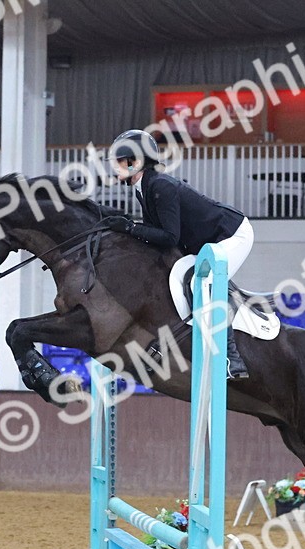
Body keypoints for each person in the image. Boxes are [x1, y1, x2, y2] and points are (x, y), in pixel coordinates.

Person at [103, 129, 253, 380]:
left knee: (203, 282)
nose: (114, 167)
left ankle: (231, 358)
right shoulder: (144, 187)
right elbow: (155, 235)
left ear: (135, 161)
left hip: (232, 234)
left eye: (119, 161)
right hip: (204, 243)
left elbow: (170, 237)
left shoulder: (160, 186)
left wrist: (130, 228)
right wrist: (127, 229)